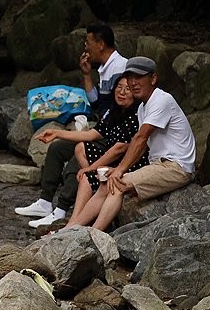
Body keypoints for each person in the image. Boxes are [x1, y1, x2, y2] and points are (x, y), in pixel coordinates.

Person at [66, 57, 196, 232]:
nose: (133, 82)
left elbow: (141, 138)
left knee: (117, 185)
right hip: (159, 164)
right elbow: (142, 145)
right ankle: (70, 230)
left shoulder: (162, 100)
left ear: (153, 78)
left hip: (176, 167)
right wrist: (119, 168)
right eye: (129, 77)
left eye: (139, 77)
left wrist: (119, 170)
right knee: (107, 184)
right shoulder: (143, 107)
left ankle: (92, 235)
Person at [17, 74, 147, 228]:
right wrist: (57, 133)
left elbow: (119, 149)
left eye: (128, 89)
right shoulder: (115, 112)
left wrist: (90, 168)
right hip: (109, 153)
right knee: (67, 148)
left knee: (83, 166)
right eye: (119, 87)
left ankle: (64, 212)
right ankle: (59, 213)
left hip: (127, 162)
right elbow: (91, 134)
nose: (122, 92)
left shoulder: (136, 115)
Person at [78, 23, 128, 119]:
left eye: (87, 43)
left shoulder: (119, 68)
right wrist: (86, 75)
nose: (86, 48)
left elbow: (119, 108)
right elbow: (95, 102)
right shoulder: (105, 68)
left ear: (101, 45)